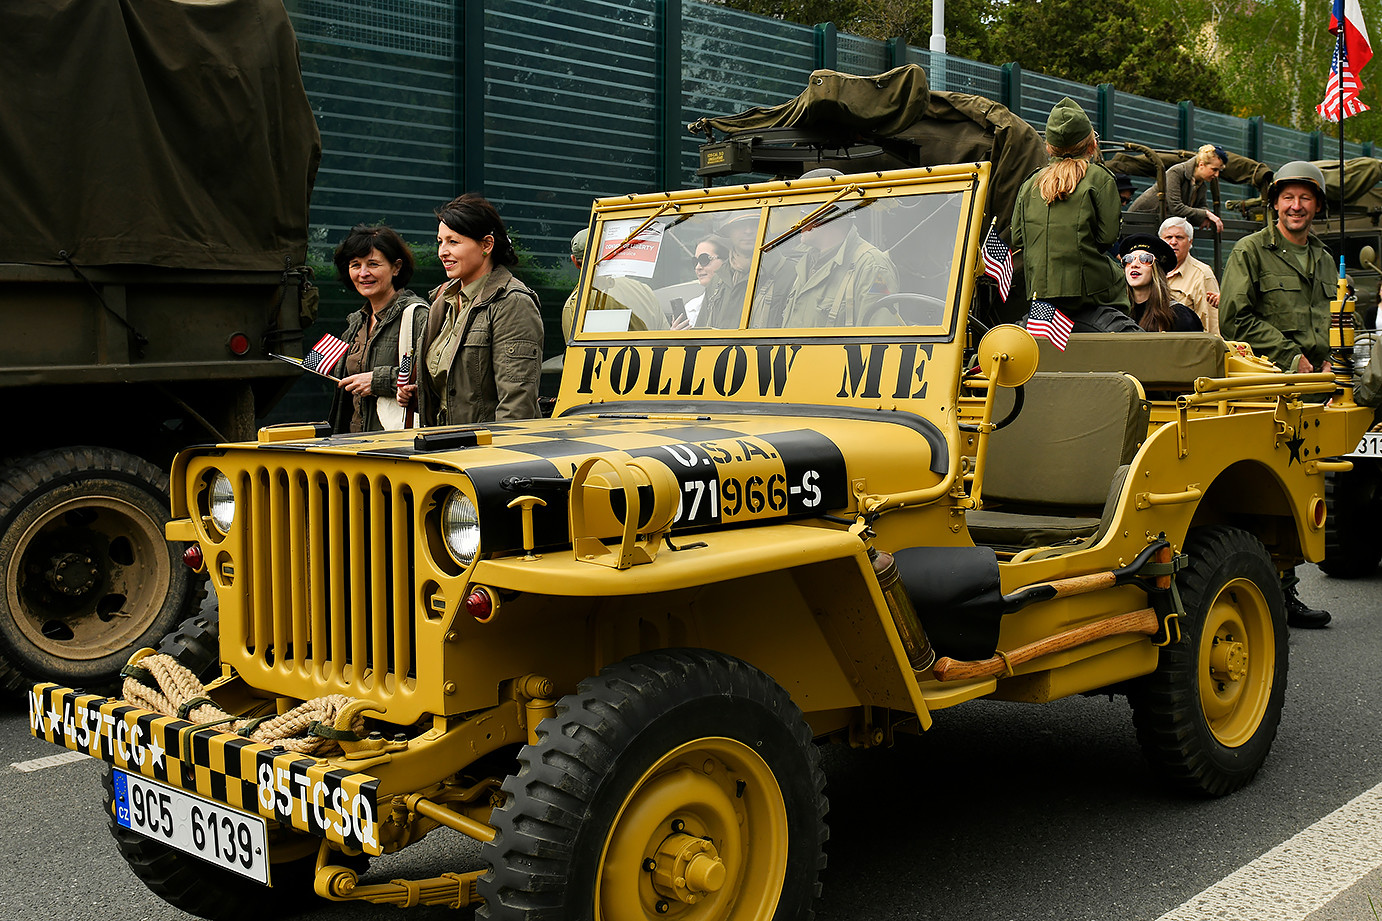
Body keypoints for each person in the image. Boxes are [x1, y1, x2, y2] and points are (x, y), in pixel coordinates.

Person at [1220, 160, 1337, 628]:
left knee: (1300, 493)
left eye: (1305, 198)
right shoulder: (1250, 251)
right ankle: (1267, 592)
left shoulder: (1325, 259)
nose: (1296, 206)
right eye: (1288, 197)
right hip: (1266, 388)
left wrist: (1331, 360)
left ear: (1317, 206)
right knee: (1262, 493)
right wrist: (1292, 357)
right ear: (1274, 203)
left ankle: (1283, 591)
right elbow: (1234, 319)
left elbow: (1333, 318)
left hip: (1313, 391)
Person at [420, 194, 543, 425]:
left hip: (484, 445)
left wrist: (497, 449)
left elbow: (516, 404)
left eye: (453, 242)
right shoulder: (442, 300)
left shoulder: (512, 302)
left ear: (486, 245)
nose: (442, 252)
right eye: (440, 241)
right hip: (442, 440)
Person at [1012, 97, 1128, 316]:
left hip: (1039, 290)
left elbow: (1018, 238)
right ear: (1092, 144)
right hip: (1089, 291)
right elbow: (1107, 238)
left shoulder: (1031, 183)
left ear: (1049, 147)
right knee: (1122, 285)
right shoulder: (1099, 178)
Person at [326, 224, 430, 434]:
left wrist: (377, 381)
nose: (363, 273)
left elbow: (431, 379)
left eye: (373, 264)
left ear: (396, 267)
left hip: (395, 441)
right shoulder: (357, 322)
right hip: (353, 440)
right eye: (355, 265)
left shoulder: (416, 315)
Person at [775, 211, 899, 327]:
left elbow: (879, 337)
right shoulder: (806, 262)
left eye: (806, 215)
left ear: (828, 219)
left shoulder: (872, 266)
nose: (799, 221)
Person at [560, 228, 665, 339]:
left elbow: (577, 349)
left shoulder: (575, 305)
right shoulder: (644, 290)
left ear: (575, 261)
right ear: (614, 253)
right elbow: (666, 337)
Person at [1128, 144, 1227, 234]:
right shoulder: (1176, 172)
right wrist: (1206, 214)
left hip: (1160, 227)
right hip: (1139, 224)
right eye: (1214, 169)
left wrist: (1204, 216)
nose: (1217, 175)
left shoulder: (1201, 183)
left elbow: (1201, 206)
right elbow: (1176, 207)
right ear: (1201, 164)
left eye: (1219, 171)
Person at [1119, 234, 1203, 332]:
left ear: (1157, 270)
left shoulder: (1179, 317)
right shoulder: (1118, 313)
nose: (1134, 265)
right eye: (1128, 259)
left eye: (1145, 259)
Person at [1159, 216, 1222, 335]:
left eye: (1179, 237)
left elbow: (1212, 325)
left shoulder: (1202, 274)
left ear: (1190, 242)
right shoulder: (1151, 269)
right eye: (1168, 237)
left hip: (1187, 343)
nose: (1173, 242)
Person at [679, 235, 729, 328]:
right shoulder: (690, 308)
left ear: (726, 261)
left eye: (704, 259)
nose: (698, 267)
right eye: (695, 262)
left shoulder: (743, 302)